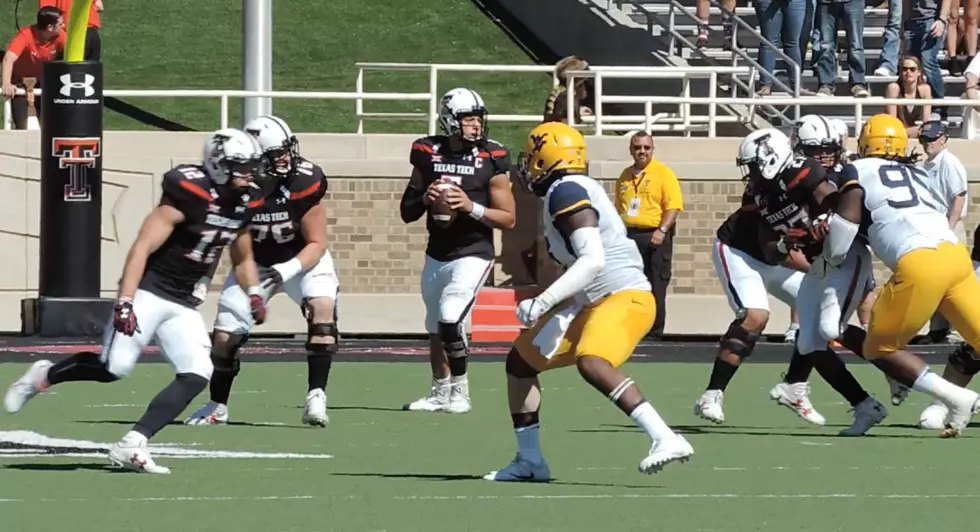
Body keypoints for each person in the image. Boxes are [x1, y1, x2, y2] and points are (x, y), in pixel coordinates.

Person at [3, 129, 269, 474]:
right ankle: (45, 374)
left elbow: (243, 257)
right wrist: (125, 301)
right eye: (241, 165)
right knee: (114, 369)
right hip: (150, 292)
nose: (249, 172)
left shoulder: (244, 203)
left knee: (197, 373)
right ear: (219, 164)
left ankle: (133, 443)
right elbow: (142, 247)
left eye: (251, 164)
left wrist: (255, 293)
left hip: (184, 302)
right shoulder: (190, 194)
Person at [483, 121, 692, 482]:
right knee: (521, 362)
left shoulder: (566, 191)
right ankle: (530, 460)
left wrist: (543, 300)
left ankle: (665, 437)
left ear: (548, 158)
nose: (528, 164)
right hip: (594, 301)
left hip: (625, 297)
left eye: (533, 156)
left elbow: (593, 260)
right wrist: (560, 306)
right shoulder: (566, 190)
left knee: (592, 360)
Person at [826, 113, 980, 437]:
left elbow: (846, 223)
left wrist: (829, 256)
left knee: (877, 347)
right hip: (955, 257)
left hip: (920, 264)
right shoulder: (918, 173)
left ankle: (956, 397)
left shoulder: (855, 170)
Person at [183, 116, 337, 428]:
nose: (286, 159)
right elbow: (219, 235)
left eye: (286, 151)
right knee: (224, 339)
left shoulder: (304, 180)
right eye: (275, 155)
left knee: (322, 310)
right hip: (253, 264)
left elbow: (318, 242)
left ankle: (316, 395)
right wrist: (202, 278)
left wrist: (286, 271)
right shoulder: (233, 188)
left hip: (302, 259)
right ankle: (217, 405)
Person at [738, 127, 884, 436]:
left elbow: (840, 205)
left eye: (751, 165)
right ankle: (864, 404)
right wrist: (783, 244)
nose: (748, 173)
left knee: (828, 330)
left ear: (768, 160)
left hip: (844, 257)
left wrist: (825, 221)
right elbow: (768, 247)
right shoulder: (759, 194)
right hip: (821, 263)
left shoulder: (806, 173)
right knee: (808, 341)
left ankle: (907, 372)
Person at [399, 88, 516, 414]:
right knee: (435, 325)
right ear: (450, 120)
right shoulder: (428, 152)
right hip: (436, 252)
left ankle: (461, 393)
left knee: (451, 318)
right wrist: (425, 198)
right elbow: (407, 211)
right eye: (469, 120)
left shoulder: (491, 158)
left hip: (474, 253)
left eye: (478, 119)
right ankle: (439, 392)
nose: (476, 126)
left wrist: (469, 207)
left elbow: (508, 218)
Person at [694, 175, 815, 425]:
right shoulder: (772, 194)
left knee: (821, 309)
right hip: (741, 253)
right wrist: (823, 270)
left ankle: (795, 385)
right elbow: (779, 251)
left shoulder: (826, 191)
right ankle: (712, 394)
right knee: (755, 316)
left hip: (776, 257)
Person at [614, 132, 683, 338]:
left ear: (652, 149)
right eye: (637, 147)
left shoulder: (663, 173)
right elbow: (619, 209)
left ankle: (655, 330)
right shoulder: (624, 176)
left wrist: (661, 230)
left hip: (655, 237)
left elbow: (673, 206)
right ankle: (636, 327)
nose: (641, 151)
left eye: (646, 147)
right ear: (631, 150)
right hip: (630, 237)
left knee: (656, 284)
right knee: (632, 285)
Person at [918, 120, 969, 345]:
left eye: (931, 139)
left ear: (943, 138)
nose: (926, 143)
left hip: (949, 228)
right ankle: (938, 331)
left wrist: (948, 229)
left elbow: (959, 196)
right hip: (933, 229)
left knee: (954, 284)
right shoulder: (926, 165)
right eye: (923, 139)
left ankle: (958, 332)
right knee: (935, 283)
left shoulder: (949, 162)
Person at [1, 6, 65, 129]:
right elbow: (8, 58)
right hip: (19, 80)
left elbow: (72, 56)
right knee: (22, 123)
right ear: (50, 28)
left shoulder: (61, 36)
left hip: (42, 80)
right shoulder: (26, 35)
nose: (63, 26)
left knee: (50, 123)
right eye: (60, 24)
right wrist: (6, 84)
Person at [884, 56, 932, 138]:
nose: (908, 72)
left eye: (912, 69)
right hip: (893, 131)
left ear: (919, 72)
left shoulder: (924, 90)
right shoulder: (894, 88)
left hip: (911, 130)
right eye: (904, 69)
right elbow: (892, 122)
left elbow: (926, 121)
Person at [39, 0, 103, 60]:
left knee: (66, 70)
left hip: (70, 36)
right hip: (92, 33)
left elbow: (47, 12)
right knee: (91, 70)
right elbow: (99, 6)